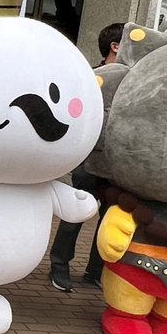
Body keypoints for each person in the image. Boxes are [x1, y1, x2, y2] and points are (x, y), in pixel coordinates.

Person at [47, 21, 124, 292]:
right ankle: (59, 265)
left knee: (109, 219)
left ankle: (96, 270)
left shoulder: (136, 83)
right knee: (75, 213)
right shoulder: (89, 78)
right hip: (89, 160)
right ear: (115, 47)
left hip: (117, 165)